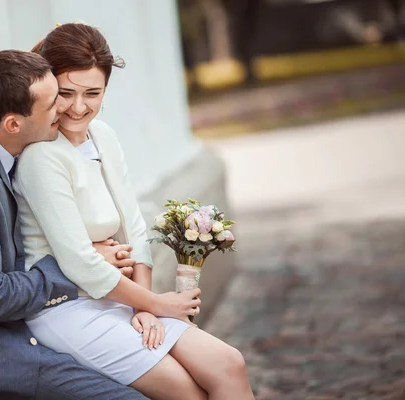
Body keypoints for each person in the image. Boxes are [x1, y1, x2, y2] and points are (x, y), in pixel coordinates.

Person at [0, 49, 201, 400]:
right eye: (53, 103)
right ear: (13, 123)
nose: (64, 108)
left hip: (25, 316)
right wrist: (79, 266)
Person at [14, 23, 257, 400]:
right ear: (48, 88)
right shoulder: (41, 157)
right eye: (66, 94)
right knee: (185, 390)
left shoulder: (104, 137)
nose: (79, 107)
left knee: (228, 364)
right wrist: (158, 304)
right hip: (67, 308)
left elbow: (133, 225)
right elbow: (79, 261)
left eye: (92, 93)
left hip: (123, 296)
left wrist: (143, 307)